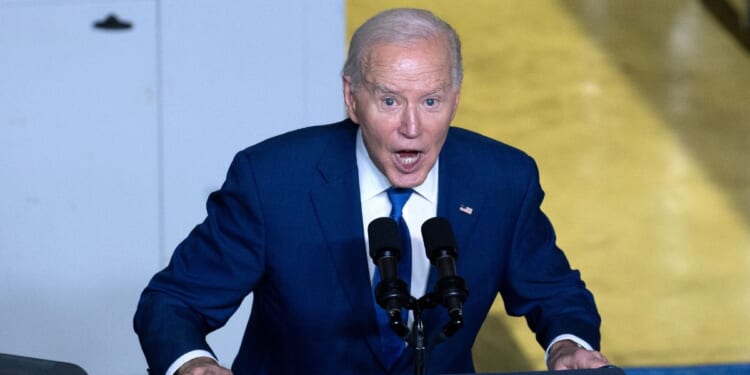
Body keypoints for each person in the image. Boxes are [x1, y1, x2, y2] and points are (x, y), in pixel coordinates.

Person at [134, 7, 611, 375]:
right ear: (351, 97)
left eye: (431, 100)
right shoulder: (272, 180)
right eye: (389, 100)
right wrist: (192, 362)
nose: (412, 127)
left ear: (456, 97)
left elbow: (555, 294)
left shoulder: (503, 178)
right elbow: (173, 302)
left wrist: (568, 345)